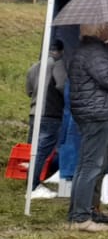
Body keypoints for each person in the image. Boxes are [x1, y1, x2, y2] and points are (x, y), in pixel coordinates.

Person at [65, 24, 108, 230]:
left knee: (95, 166)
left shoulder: (99, 52)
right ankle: (80, 217)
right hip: (98, 115)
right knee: (91, 166)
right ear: (97, 31)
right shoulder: (94, 53)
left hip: (103, 113)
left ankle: (88, 210)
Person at [26, 39, 67, 192]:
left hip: (34, 112)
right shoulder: (57, 63)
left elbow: (29, 91)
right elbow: (62, 85)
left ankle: (31, 179)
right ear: (61, 51)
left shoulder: (34, 66)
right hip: (50, 112)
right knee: (43, 151)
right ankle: (33, 184)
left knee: (34, 149)